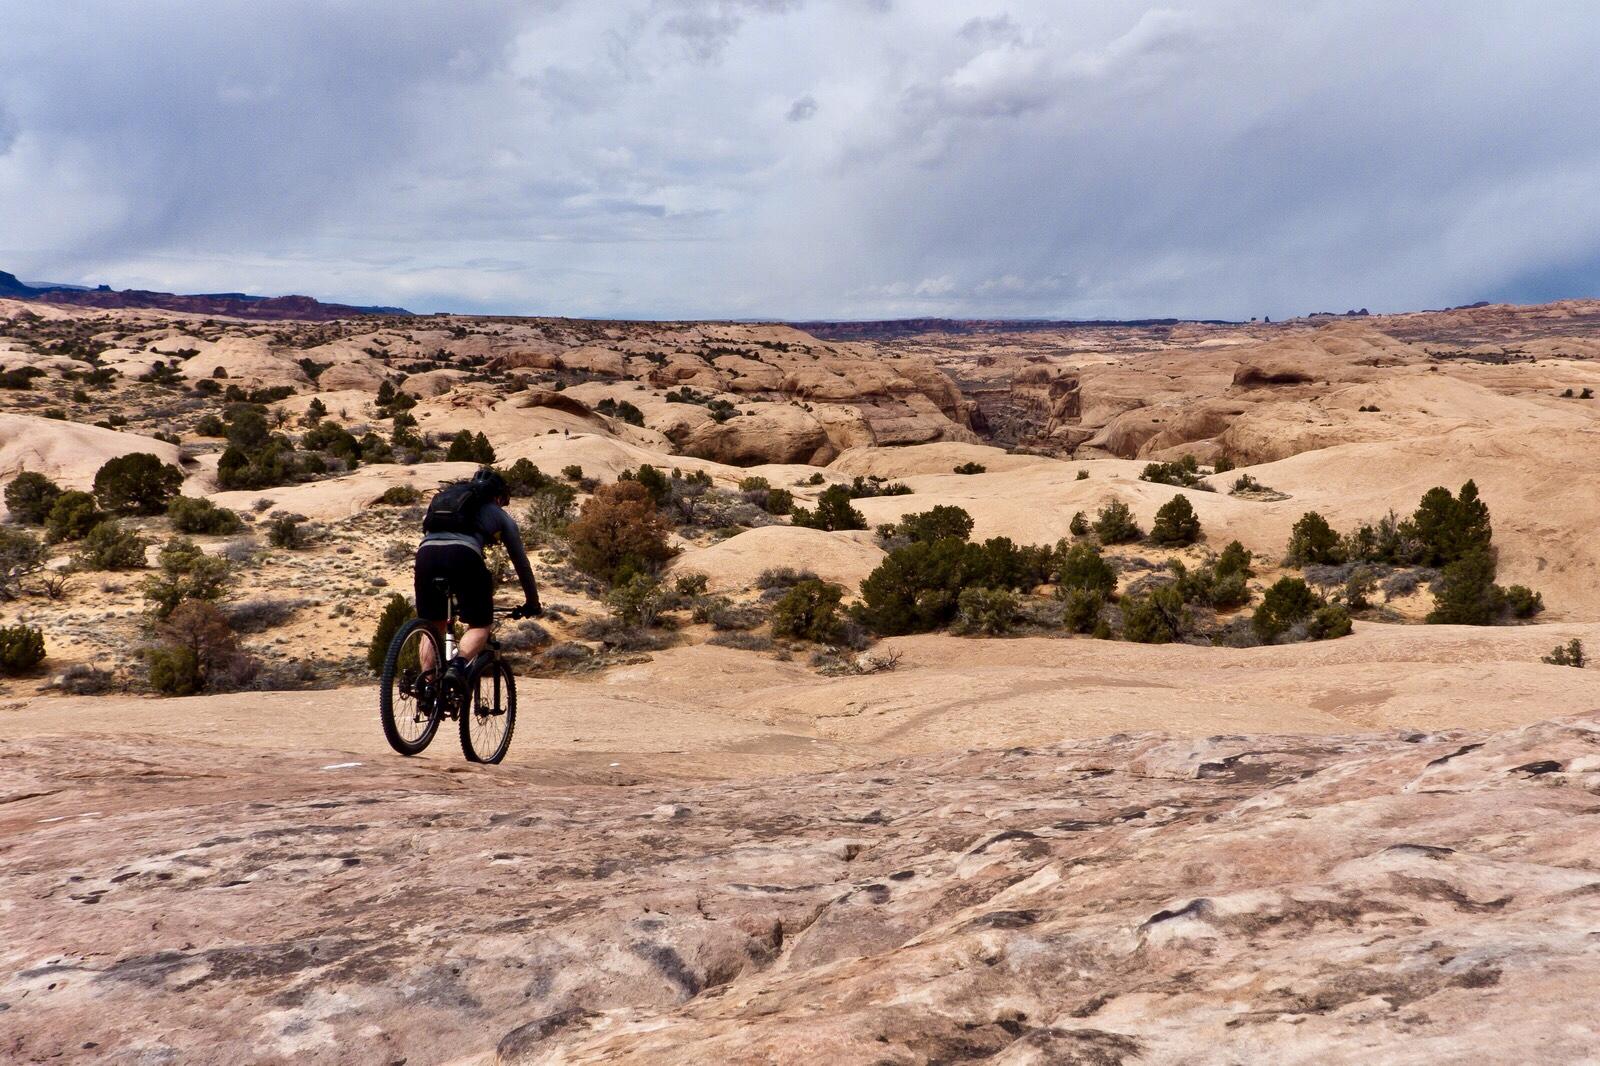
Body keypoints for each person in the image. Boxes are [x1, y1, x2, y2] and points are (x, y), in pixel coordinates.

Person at [414, 467, 541, 686]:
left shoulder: (445, 502)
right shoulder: (498, 513)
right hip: (464, 557)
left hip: (426, 555)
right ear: (498, 496)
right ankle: (458, 666)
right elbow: (520, 562)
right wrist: (532, 601)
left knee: (433, 625)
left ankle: (427, 685)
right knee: (480, 624)